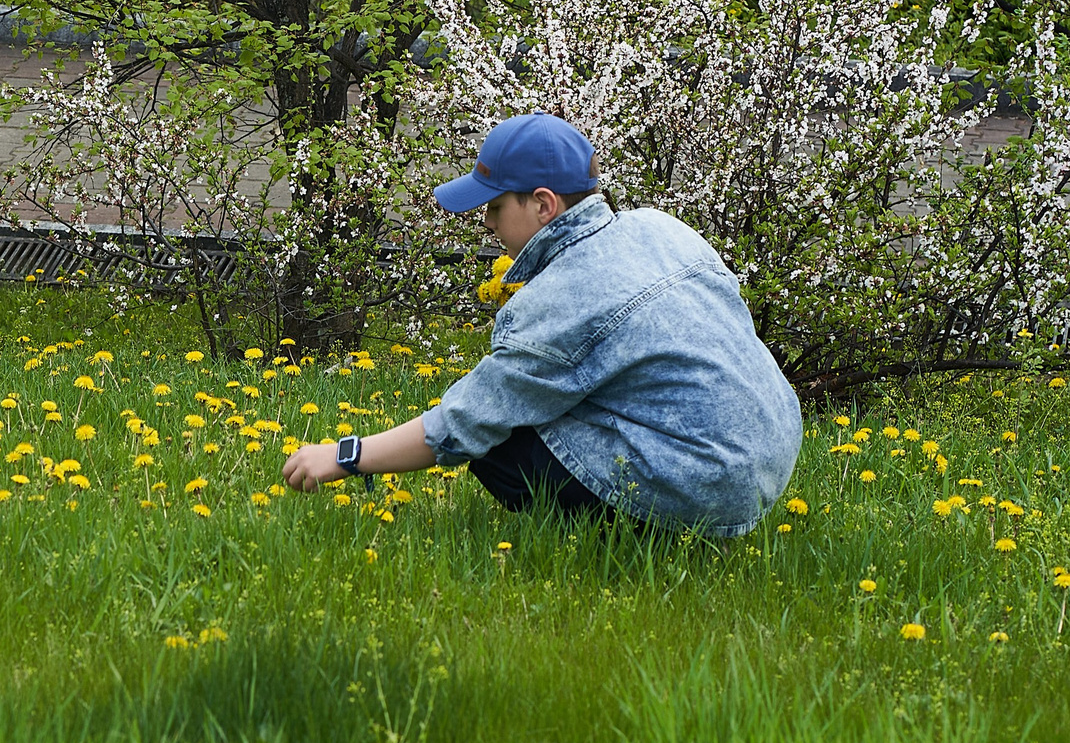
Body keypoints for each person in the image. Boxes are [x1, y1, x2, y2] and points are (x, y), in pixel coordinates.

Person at [279, 113, 801, 534]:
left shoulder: (563, 295)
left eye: (495, 207)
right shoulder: (663, 229)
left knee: (499, 444)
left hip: (705, 493)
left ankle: (629, 542)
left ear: (543, 205)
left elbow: (468, 420)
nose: (485, 223)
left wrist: (344, 456)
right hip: (767, 466)